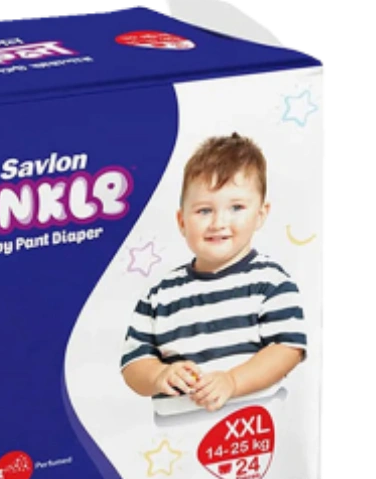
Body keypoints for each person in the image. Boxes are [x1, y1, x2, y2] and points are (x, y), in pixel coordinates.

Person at [121, 133, 306, 413]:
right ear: (182, 221)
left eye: (236, 208)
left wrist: (233, 381)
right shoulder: (160, 295)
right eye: (204, 210)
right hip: (175, 430)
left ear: (260, 214)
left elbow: (287, 349)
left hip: (253, 426)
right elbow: (133, 363)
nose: (219, 222)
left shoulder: (271, 283)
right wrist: (158, 375)